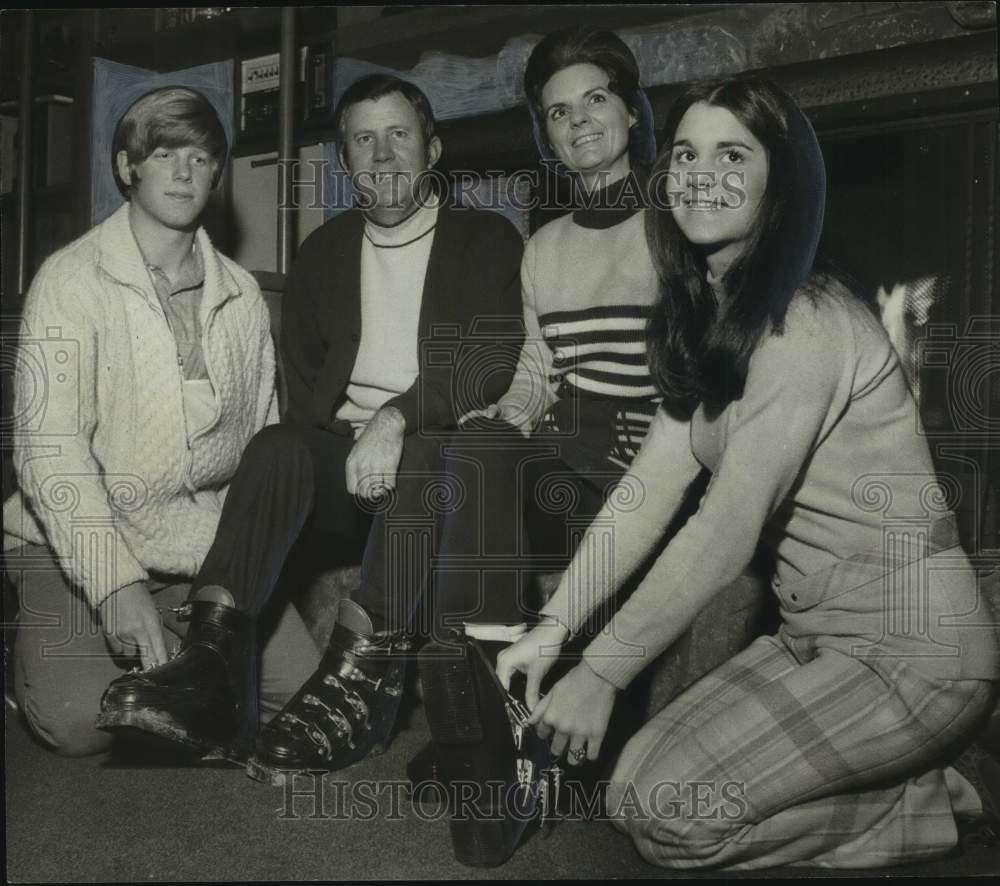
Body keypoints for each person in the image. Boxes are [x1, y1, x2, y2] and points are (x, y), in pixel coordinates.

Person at [496, 76, 999, 869]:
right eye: (686, 154)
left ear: (781, 182)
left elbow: (725, 531)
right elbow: (644, 494)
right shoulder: (711, 319)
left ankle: (921, 808)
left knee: (673, 819)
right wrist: (553, 627)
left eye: (733, 154)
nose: (701, 174)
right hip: (811, 638)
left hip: (913, 651)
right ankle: (901, 784)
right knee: (629, 793)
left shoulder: (807, 322)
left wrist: (600, 672)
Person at [95, 74, 525, 774]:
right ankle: (209, 670)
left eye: (399, 135)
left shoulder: (487, 240)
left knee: (422, 453)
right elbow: (302, 394)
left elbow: (490, 360)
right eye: (363, 139)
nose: (382, 156)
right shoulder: (323, 254)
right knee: (275, 448)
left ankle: (360, 680)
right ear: (345, 160)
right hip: (348, 470)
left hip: (436, 465)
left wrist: (396, 417)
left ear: (434, 148)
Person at [2, 86, 320, 757]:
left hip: (194, 548)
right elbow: (48, 452)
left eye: (202, 158)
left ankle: (179, 654)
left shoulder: (242, 299)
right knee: (78, 721)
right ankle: (34, 657)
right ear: (128, 167)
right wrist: (116, 585)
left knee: (298, 703)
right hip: (73, 541)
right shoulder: (69, 280)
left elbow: (259, 460)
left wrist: (229, 593)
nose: (184, 171)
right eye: (165, 153)